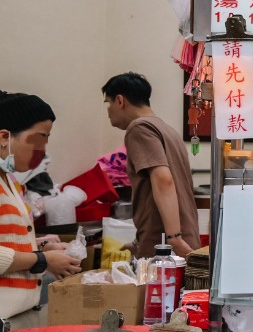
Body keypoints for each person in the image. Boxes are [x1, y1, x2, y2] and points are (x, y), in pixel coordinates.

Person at [0, 91, 82, 318]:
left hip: (16, 314)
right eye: (37, 139)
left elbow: (6, 241)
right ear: (4, 137)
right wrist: (42, 259)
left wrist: (41, 247)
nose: (41, 151)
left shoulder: (10, 182)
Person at [102, 73, 199, 259]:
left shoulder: (139, 128)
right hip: (179, 237)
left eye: (108, 103)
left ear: (120, 101)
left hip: (165, 245)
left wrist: (174, 237)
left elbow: (163, 180)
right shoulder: (168, 130)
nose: (108, 111)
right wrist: (139, 241)